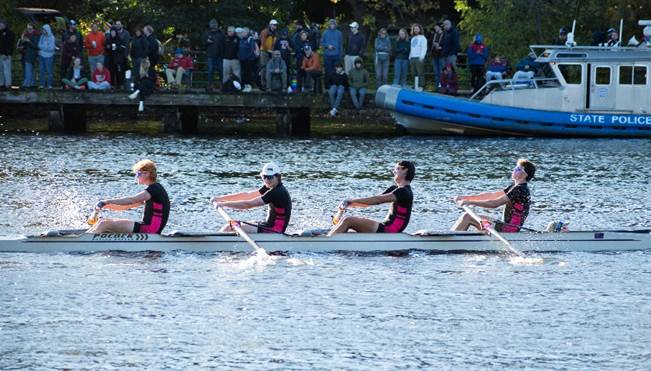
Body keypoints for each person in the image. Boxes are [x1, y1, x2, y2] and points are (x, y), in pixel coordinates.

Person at [328, 160, 415, 235]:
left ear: (405, 170)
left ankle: (327, 241)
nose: (393, 172)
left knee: (348, 220)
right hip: (385, 226)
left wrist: (351, 200)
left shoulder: (404, 191)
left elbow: (377, 200)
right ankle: (329, 236)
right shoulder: (394, 189)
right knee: (344, 219)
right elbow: (367, 203)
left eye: (396, 169)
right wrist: (348, 204)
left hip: (390, 230)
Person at [452, 159, 536, 232]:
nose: (514, 170)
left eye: (517, 169)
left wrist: (469, 202)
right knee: (469, 217)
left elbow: (494, 204)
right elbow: (491, 195)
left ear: (524, 175)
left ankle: (448, 244)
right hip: (506, 225)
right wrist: (465, 198)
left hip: (509, 229)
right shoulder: (514, 187)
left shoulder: (520, 189)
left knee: (467, 217)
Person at [88, 159, 170, 234]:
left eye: (138, 173)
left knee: (104, 224)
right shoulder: (152, 191)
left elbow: (132, 200)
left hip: (150, 229)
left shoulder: (154, 189)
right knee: (102, 221)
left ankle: (82, 241)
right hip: (148, 227)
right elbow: (126, 206)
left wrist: (107, 201)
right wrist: (105, 206)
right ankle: (85, 237)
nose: (136, 177)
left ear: (146, 173)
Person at [211, 162, 291, 234]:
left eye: (269, 177)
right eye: (264, 176)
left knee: (229, 227)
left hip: (274, 230)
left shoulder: (277, 192)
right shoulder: (270, 186)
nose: (266, 180)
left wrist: (223, 204)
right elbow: (247, 195)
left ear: (277, 177)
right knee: (231, 226)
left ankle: (215, 245)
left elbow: (248, 204)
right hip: (268, 225)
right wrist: (220, 198)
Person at [320, 19, 343, 87]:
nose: (332, 25)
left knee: (336, 71)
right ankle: (327, 85)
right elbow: (321, 43)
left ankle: (336, 84)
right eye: (331, 24)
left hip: (336, 55)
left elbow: (341, 44)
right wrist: (327, 46)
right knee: (328, 71)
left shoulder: (339, 33)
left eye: (333, 24)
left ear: (336, 25)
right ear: (329, 25)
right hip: (327, 55)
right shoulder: (325, 33)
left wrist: (340, 54)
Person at [203, 19, 224, 91]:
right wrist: (207, 42)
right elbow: (203, 43)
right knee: (210, 71)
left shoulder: (221, 33)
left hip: (220, 56)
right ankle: (210, 86)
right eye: (212, 24)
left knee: (221, 71)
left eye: (215, 24)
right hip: (210, 55)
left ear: (217, 25)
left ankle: (222, 86)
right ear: (210, 25)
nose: (213, 25)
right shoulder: (206, 33)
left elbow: (224, 43)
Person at [238, 27, 259, 93]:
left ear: (247, 33)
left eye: (243, 32)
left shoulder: (250, 39)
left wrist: (248, 58)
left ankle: (249, 86)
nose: (242, 33)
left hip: (248, 60)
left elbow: (251, 50)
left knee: (248, 73)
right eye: (242, 32)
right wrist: (239, 56)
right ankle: (245, 86)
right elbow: (239, 49)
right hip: (242, 60)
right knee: (243, 73)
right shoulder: (241, 39)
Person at [18, 23, 39, 89]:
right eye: (28, 28)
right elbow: (21, 44)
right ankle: (32, 83)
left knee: (28, 70)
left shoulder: (36, 35)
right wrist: (22, 40)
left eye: (30, 28)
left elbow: (36, 46)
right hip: (25, 54)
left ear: (33, 28)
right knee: (30, 69)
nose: (29, 30)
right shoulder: (26, 34)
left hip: (31, 55)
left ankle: (26, 84)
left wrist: (28, 41)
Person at [221, 26, 240, 91]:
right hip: (226, 59)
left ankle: (237, 88)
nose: (231, 32)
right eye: (230, 31)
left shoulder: (238, 39)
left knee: (237, 74)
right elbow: (221, 48)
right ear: (227, 31)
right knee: (226, 74)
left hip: (235, 59)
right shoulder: (224, 38)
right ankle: (225, 88)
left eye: (233, 31)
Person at [409, 24, 427, 91]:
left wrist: (422, 57)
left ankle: (421, 86)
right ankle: (415, 85)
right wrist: (410, 56)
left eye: (417, 29)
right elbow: (412, 48)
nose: (416, 30)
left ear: (420, 29)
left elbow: (424, 48)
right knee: (413, 73)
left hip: (419, 57)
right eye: (414, 29)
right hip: (412, 58)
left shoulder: (423, 38)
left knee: (420, 73)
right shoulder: (413, 38)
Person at [38, 24, 56, 89]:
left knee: (49, 71)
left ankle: (49, 85)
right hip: (41, 56)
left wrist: (43, 48)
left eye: (44, 30)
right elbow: (39, 45)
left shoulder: (52, 37)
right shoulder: (41, 36)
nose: (43, 31)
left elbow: (51, 48)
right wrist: (45, 47)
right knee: (41, 70)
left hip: (49, 56)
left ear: (47, 30)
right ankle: (41, 84)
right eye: (42, 30)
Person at [0, 19, 15, 90]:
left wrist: (6, 53)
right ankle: (1, 84)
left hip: (6, 55)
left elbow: (10, 45)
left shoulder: (10, 33)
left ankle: (8, 84)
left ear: (4, 24)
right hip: (0, 54)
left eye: (1, 24)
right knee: (0, 70)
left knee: (7, 70)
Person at [430, 23, 445, 89]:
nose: (435, 28)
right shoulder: (433, 35)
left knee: (442, 72)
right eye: (435, 27)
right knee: (436, 72)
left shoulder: (444, 35)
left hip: (441, 55)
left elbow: (446, 44)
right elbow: (430, 43)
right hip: (434, 55)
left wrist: (441, 47)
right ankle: (437, 87)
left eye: (436, 27)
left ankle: (442, 87)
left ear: (440, 27)